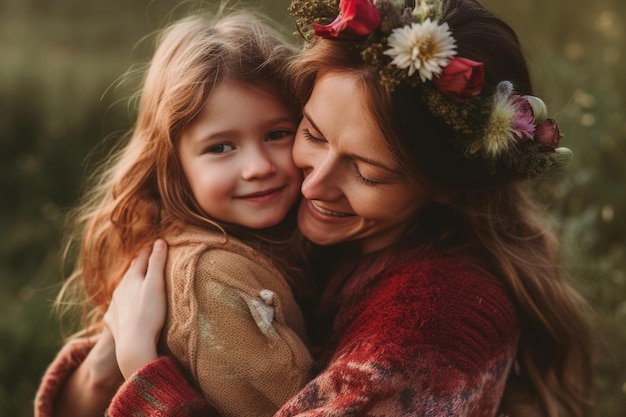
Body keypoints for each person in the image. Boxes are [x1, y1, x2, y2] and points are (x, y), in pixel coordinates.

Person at [37, 0, 595, 416]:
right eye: (311, 134)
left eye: (368, 171)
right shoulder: (301, 243)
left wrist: (143, 374)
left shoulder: (434, 323)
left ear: (446, 187)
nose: (311, 185)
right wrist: (104, 364)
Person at [34, 12, 314, 417]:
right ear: (174, 164)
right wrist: (139, 371)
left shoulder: (275, 237)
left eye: (277, 134)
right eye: (220, 147)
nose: (258, 167)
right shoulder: (213, 278)